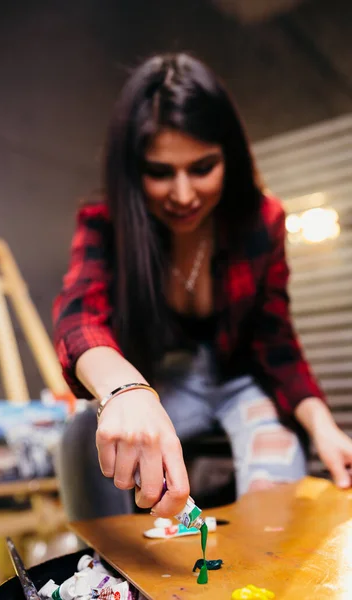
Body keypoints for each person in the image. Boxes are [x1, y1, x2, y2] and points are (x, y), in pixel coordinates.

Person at [53, 53, 352, 523]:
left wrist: (325, 428)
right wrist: (126, 390)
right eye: (160, 172)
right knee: (80, 443)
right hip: (156, 380)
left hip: (240, 385)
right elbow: (79, 317)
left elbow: (277, 344)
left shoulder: (262, 221)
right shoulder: (104, 226)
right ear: (133, 170)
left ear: (228, 157)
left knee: (277, 485)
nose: (184, 193)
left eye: (202, 167)